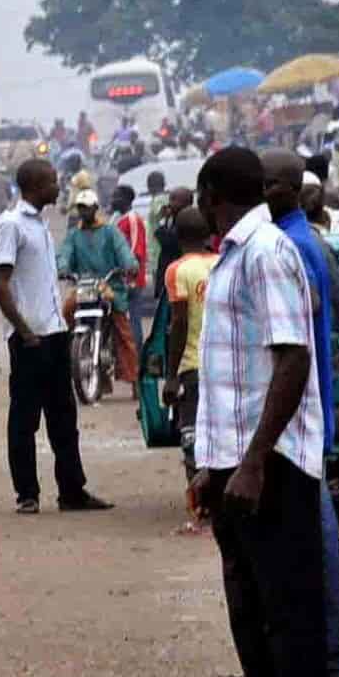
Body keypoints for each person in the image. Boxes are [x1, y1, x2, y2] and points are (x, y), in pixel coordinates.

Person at [186, 147, 328, 677]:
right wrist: (211, 465)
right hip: (234, 468)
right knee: (251, 618)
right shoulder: (231, 257)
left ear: (211, 197)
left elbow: (292, 360)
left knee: (288, 620)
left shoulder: (267, 253)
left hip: (272, 471)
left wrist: (252, 462)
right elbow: (227, 374)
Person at [260, 150, 339, 677]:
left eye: (266, 183)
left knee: (310, 538)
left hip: (298, 409)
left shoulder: (291, 246)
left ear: (287, 188)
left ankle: (325, 659)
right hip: (307, 404)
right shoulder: (306, 243)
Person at [0, 158, 113, 515]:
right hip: (31, 339)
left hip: (55, 332)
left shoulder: (41, 225)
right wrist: (25, 332)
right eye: (52, 182)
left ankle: (72, 491)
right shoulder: (11, 226)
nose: (58, 187)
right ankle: (27, 493)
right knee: (24, 420)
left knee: (64, 419)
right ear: (35, 185)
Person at [57, 190, 140, 390]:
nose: (84, 212)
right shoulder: (74, 235)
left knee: (123, 329)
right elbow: (64, 255)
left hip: (110, 287)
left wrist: (129, 265)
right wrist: (62, 268)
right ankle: (65, 361)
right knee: (66, 313)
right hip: (84, 287)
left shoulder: (110, 231)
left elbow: (124, 252)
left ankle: (135, 377)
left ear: (96, 208)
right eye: (80, 208)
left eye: (87, 208)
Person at [162, 207, 218, 481]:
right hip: (226, 365)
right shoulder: (224, 262)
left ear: (177, 235)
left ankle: (201, 508)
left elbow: (179, 323)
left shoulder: (177, 270)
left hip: (193, 366)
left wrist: (171, 376)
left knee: (193, 438)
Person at [110, 185, 150, 347]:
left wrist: (129, 274)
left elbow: (136, 249)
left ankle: (136, 356)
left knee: (133, 319)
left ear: (127, 199)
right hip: (119, 277)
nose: (113, 200)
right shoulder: (118, 219)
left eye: (116, 197)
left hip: (130, 279)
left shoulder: (133, 220)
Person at [152, 188, 195, 300]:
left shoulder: (189, 222)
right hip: (167, 272)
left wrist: (163, 223)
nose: (169, 204)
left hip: (180, 276)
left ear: (186, 203)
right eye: (170, 199)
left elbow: (167, 240)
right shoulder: (171, 220)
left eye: (174, 200)